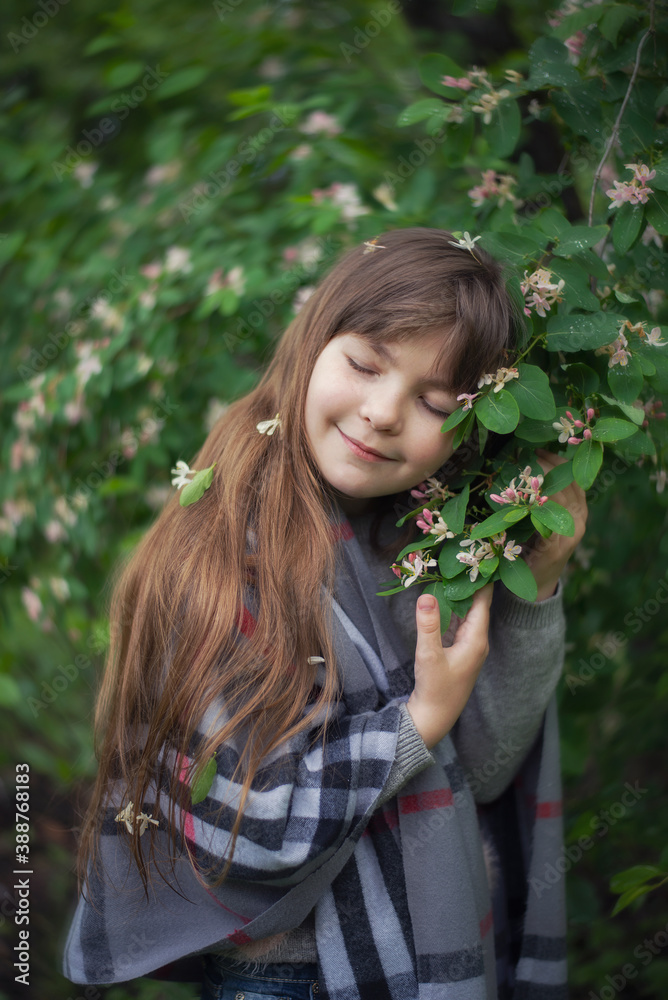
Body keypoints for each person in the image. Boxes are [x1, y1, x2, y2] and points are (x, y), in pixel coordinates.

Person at [62, 227, 586, 1000]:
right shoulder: (222, 555)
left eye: (434, 403)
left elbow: (477, 770)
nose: (382, 413)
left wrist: (538, 583)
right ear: (313, 343)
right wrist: (416, 721)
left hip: (416, 959)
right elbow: (253, 826)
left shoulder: (425, 540)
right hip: (291, 978)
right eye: (365, 365)